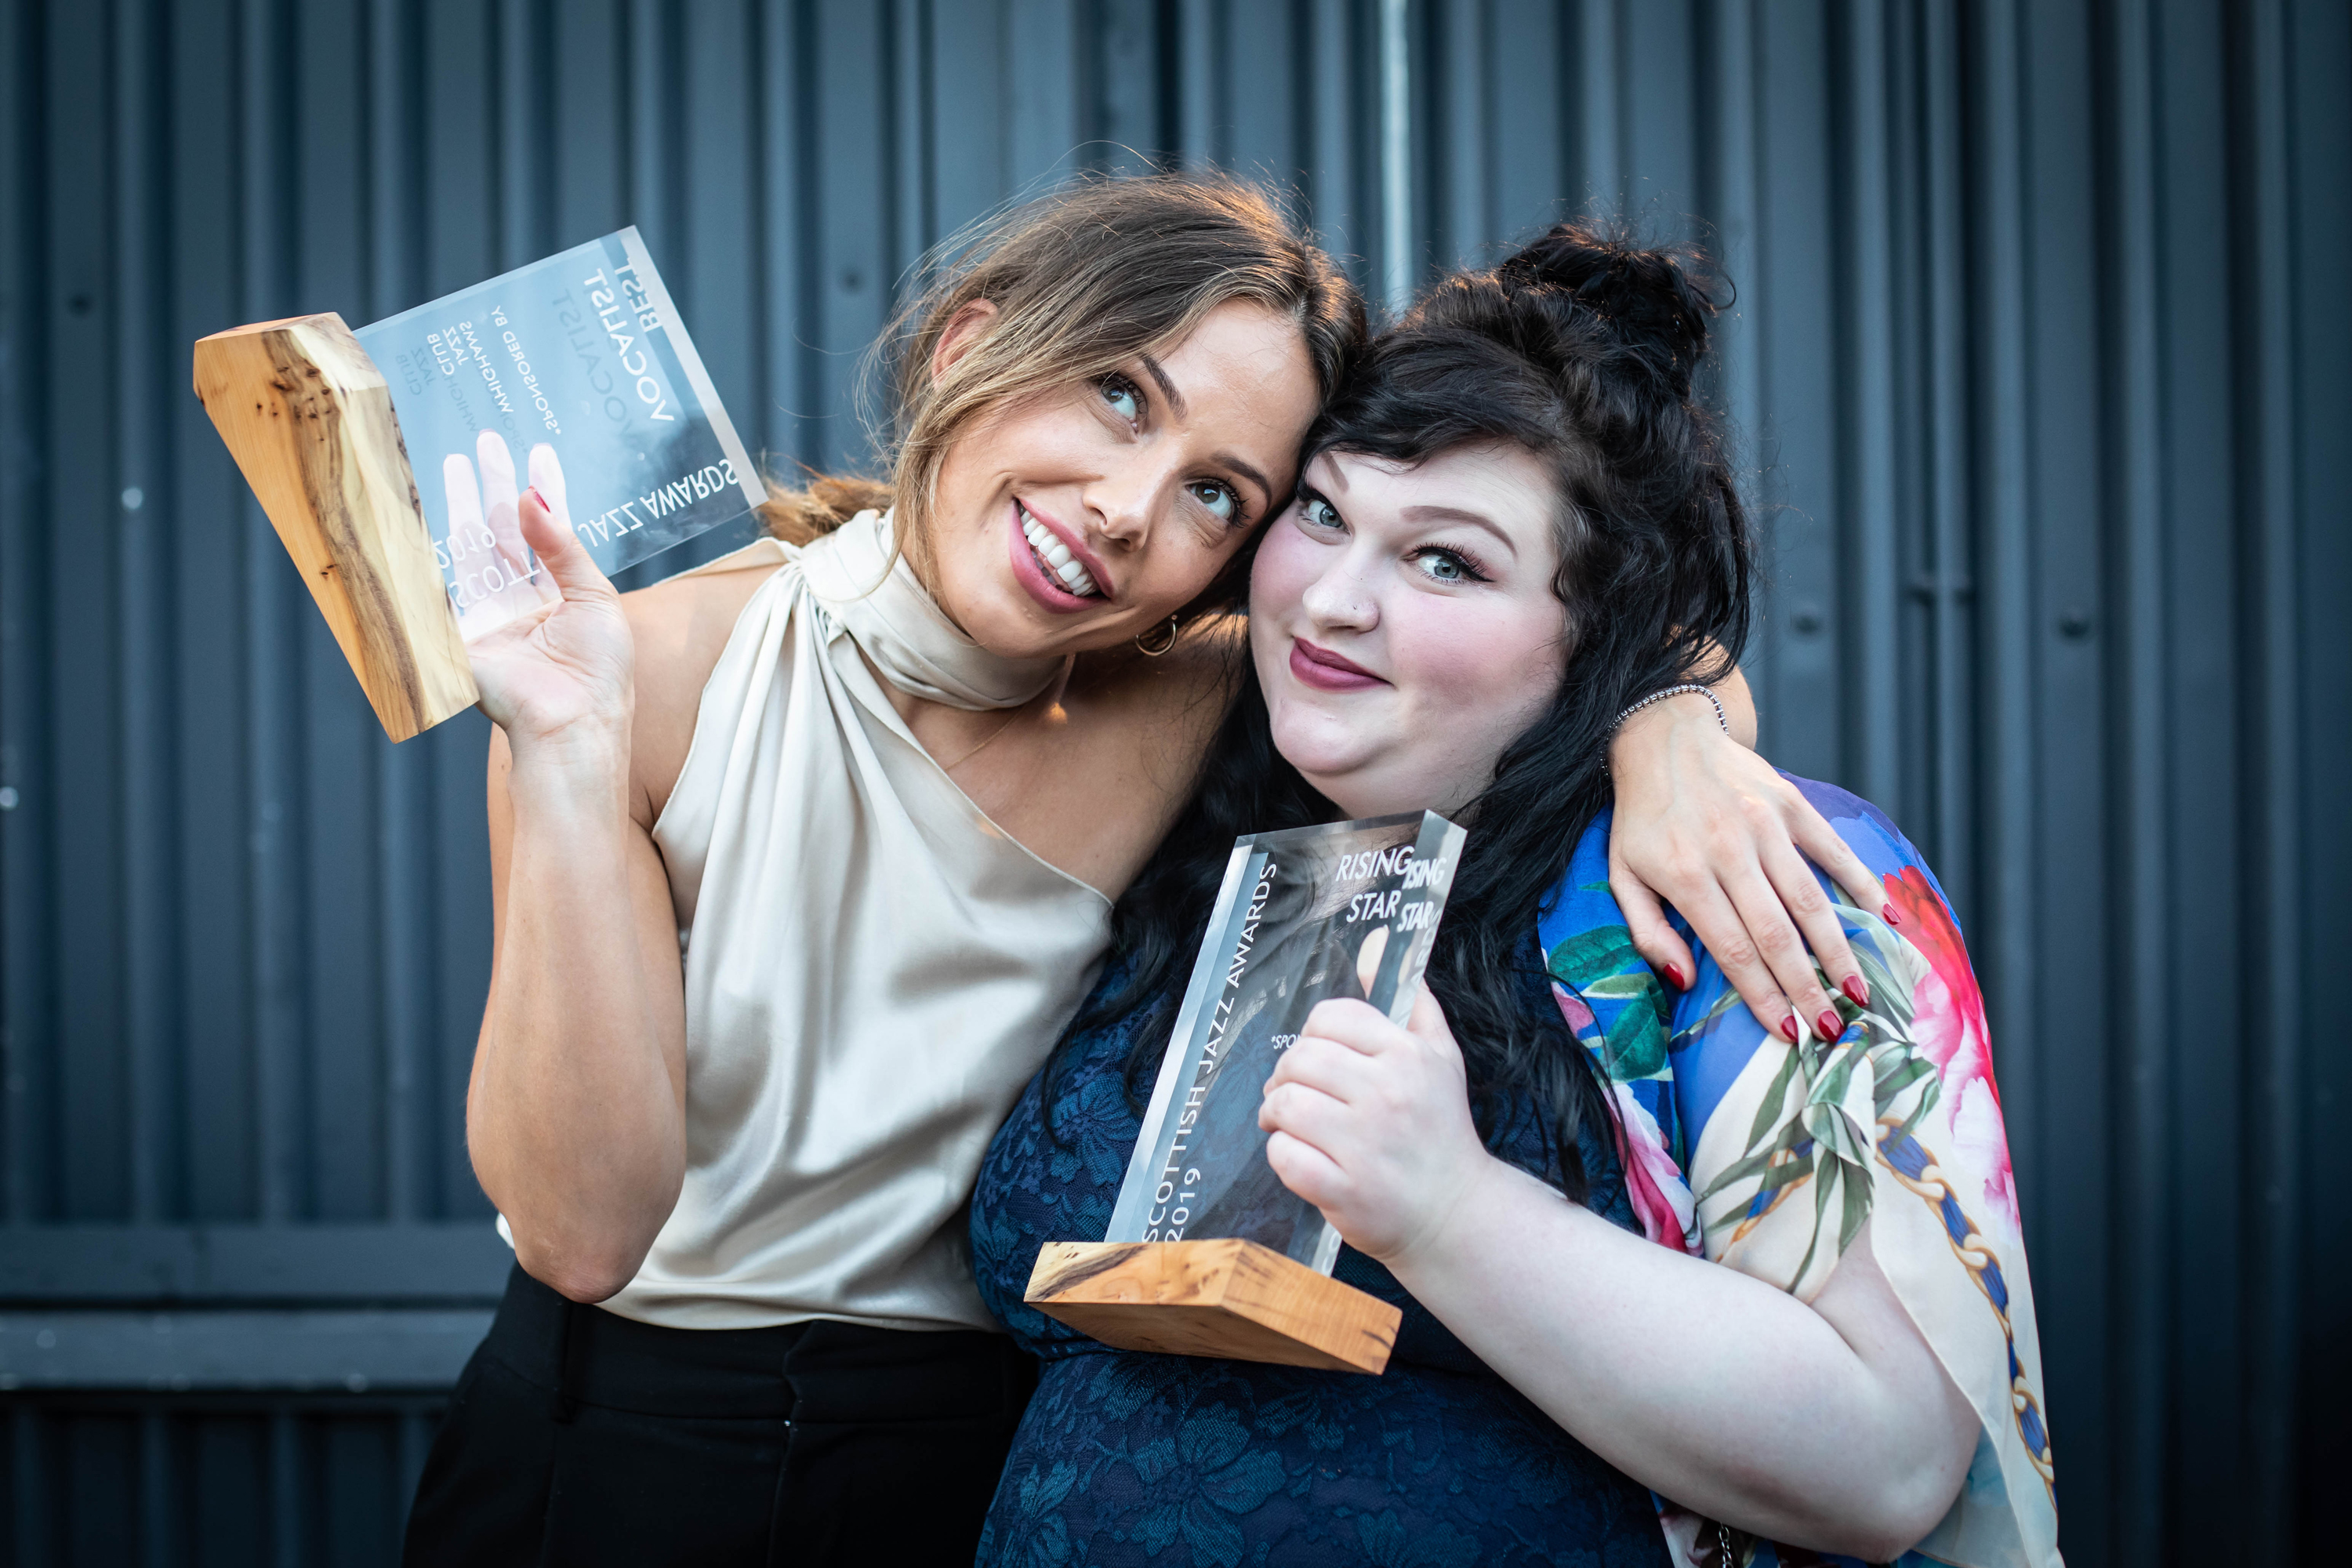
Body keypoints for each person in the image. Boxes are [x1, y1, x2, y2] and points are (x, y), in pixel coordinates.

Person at [404, 173, 1892, 1566]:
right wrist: (568, 749)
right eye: (1121, 397)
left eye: (1218, 496)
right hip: (610, 1440)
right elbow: (582, 1234)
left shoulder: (1202, 697)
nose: (1128, 509)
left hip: (956, 1455)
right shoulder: (644, 662)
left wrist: (1677, 733)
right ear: (971, 343)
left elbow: (1578, 640)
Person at [971, 223, 2057, 1567]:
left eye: (1448, 561)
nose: (1333, 603)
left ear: (1600, 632)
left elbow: (1888, 1462)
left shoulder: (1745, 876)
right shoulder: (1189, 806)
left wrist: (1449, 1210)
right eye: (1322, 511)